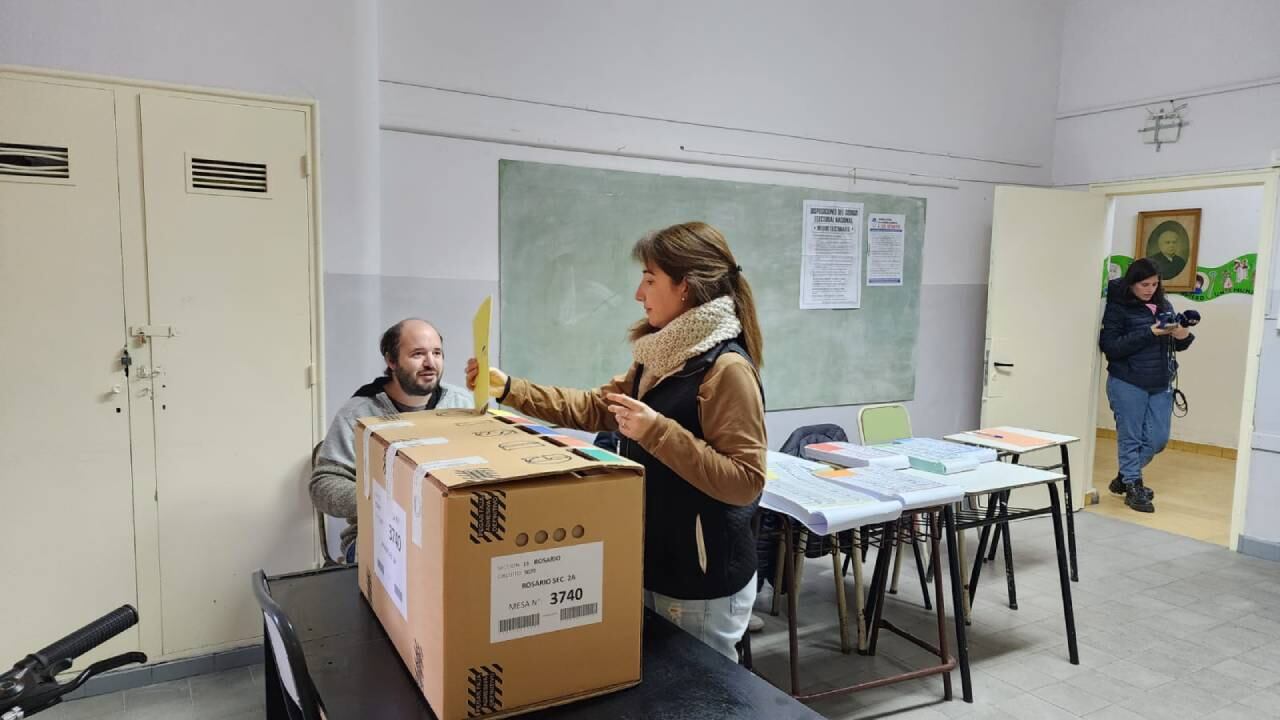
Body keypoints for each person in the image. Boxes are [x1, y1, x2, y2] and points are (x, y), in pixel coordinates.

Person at [466, 221, 767, 660]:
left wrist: (657, 431)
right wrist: (510, 388)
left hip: (699, 581)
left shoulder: (726, 370)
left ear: (685, 286)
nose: (638, 294)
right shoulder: (657, 358)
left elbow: (745, 481)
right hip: (650, 560)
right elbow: (595, 407)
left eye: (649, 280)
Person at [310, 319, 473, 562]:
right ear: (391, 361)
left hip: (451, 532)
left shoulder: (461, 405)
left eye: (436, 353)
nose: (430, 363)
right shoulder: (359, 412)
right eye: (418, 354)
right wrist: (387, 500)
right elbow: (323, 486)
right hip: (379, 536)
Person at [1099, 259, 1195, 513]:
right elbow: (1111, 347)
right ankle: (1133, 485)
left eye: (1154, 284)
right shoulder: (1118, 307)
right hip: (1127, 380)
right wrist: (1150, 333)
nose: (1150, 289)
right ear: (1132, 283)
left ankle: (1124, 477)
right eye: (1144, 284)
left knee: (1157, 440)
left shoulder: (1163, 304)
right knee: (1130, 438)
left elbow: (1180, 345)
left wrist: (1181, 332)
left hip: (1160, 381)